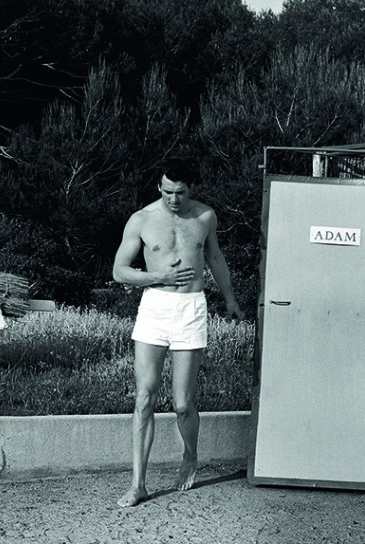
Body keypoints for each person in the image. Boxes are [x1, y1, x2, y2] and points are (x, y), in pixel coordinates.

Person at [112, 158, 244, 508]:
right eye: (168, 191)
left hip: (191, 309)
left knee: (184, 404)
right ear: (159, 186)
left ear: (191, 189)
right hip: (155, 308)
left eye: (180, 192)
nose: (173, 198)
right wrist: (160, 278)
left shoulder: (204, 217)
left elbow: (215, 258)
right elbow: (120, 272)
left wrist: (230, 298)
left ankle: (190, 455)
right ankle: (138, 483)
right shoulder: (141, 219)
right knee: (145, 397)